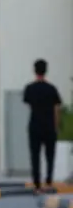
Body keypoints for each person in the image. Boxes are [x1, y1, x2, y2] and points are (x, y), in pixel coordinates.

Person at [23, 59, 62, 193]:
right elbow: (56, 108)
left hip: (34, 125)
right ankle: (49, 182)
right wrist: (56, 126)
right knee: (50, 155)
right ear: (46, 71)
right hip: (49, 126)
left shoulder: (29, 88)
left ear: (35, 71)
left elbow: (28, 104)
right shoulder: (52, 89)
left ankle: (37, 184)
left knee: (35, 155)